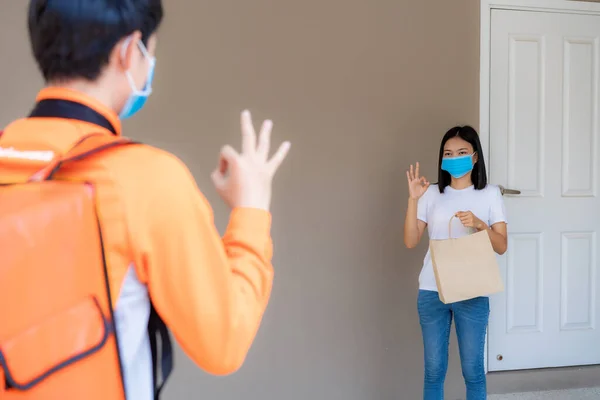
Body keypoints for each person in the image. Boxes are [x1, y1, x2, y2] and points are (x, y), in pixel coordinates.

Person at [0, 1, 290, 399]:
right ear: (128, 50)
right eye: (149, 51)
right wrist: (251, 209)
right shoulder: (148, 180)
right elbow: (224, 341)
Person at [403, 126, 507, 400]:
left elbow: (501, 246)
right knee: (433, 370)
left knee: (473, 371)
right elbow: (411, 240)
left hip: (473, 292)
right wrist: (413, 200)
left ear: (474, 157)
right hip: (431, 290)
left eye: (461, 152)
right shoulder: (431, 193)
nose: (454, 157)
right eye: (448, 153)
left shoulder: (490, 194)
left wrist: (479, 224)